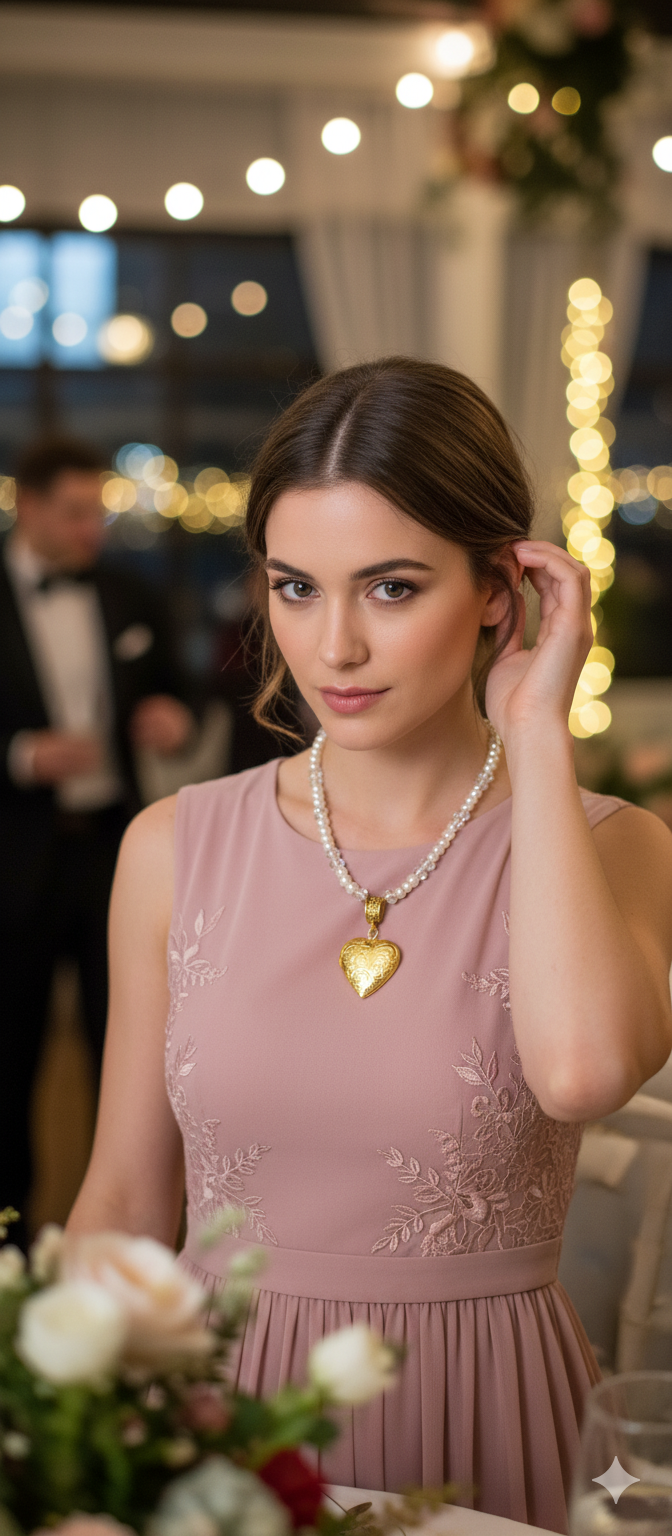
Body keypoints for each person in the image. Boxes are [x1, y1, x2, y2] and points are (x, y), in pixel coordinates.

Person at [67, 361, 672, 1532]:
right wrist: (64, 1441)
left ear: (503, 589)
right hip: (211, 1420)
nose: (332, 645)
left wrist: (536, 730)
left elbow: (586, 1072)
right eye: (297, 588)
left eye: (391, 589)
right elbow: (129, 1194)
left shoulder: (621, 847)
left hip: (486, 1418)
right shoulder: (170, 847)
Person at [1, 436, 194, 1237]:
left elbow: (183, 690)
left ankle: (132, 1246)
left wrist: (174, 718)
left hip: (118, 853)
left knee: (134, 1049)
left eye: (99, 512)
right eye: (76, 513)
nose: (92, 531)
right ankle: (12, 1255)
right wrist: (20, 755)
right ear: (30, 506)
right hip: (13, 860)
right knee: (9, 1056)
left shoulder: (128, 594)